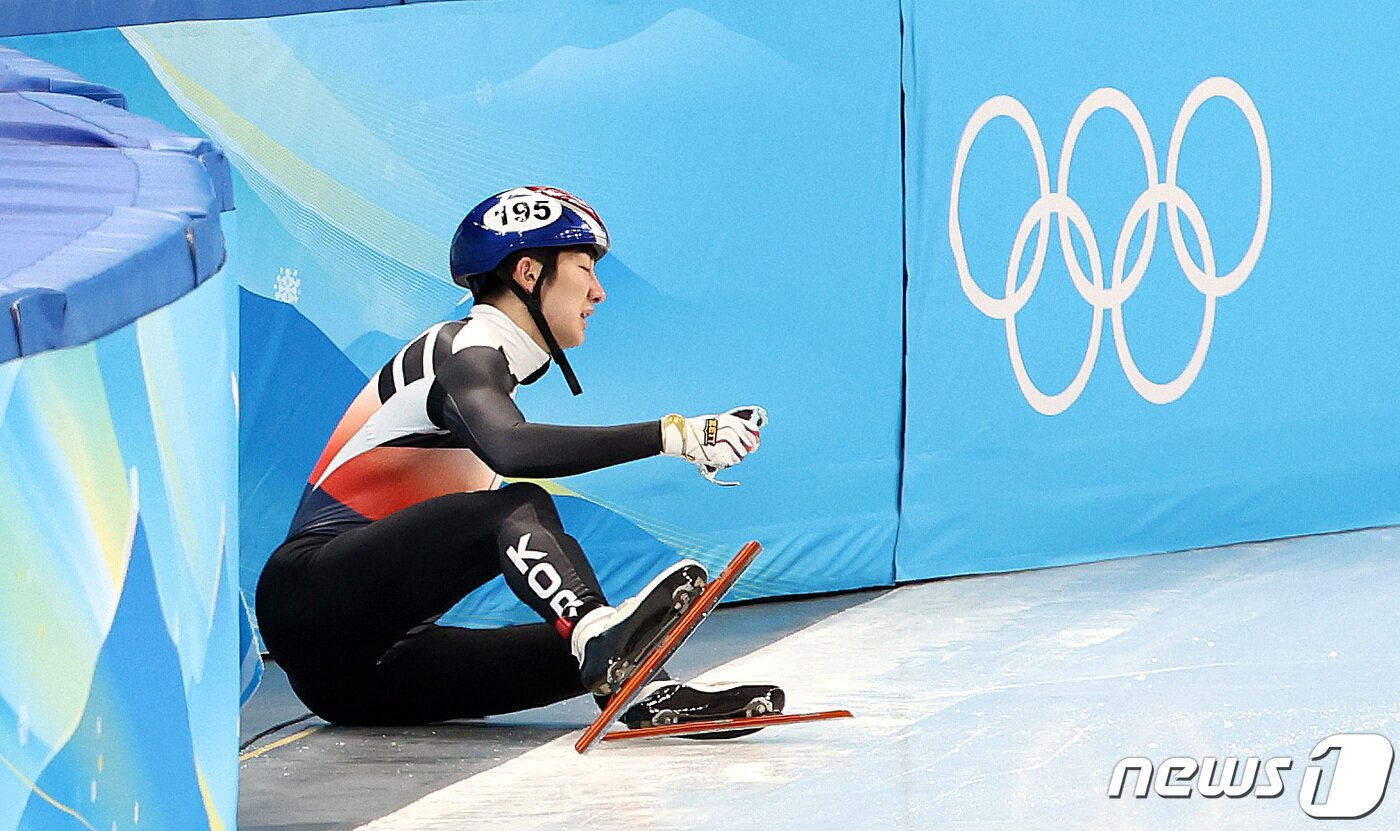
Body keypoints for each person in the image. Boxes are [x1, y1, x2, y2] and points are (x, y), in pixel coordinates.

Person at [255, 185, 782, 733]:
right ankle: (595, 631)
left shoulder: (486, 370)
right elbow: (512, 448)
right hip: (307, 599)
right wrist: (672, 434)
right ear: (529, 275)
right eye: (585, 269)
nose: (599, 293)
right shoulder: (460, 350)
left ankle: (644, 691)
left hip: (356, 682)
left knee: (591, 656)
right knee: (518, 507)